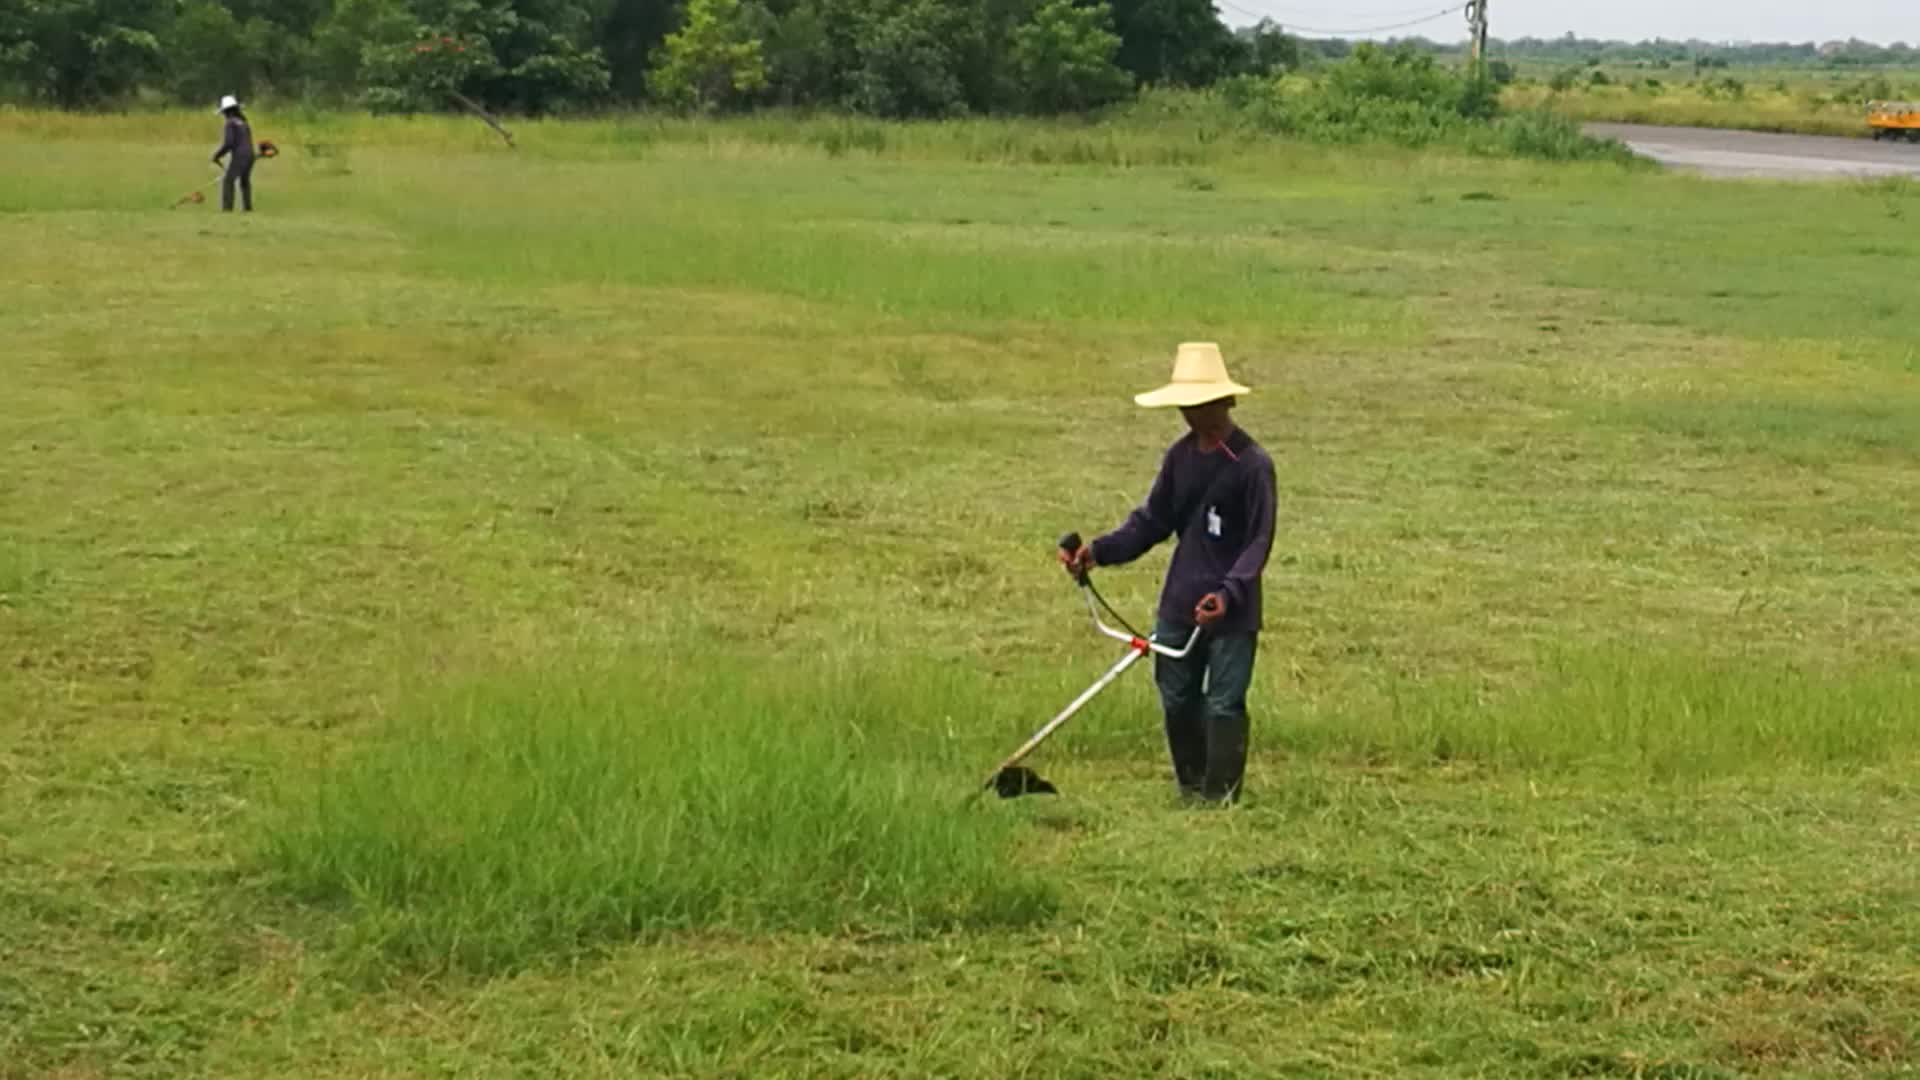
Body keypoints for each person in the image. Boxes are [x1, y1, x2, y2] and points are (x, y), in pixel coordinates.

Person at [1061, 343, 1277, 804]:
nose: (1190, 414)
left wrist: (1230, 592)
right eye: (1185, 405)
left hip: (1231, 611)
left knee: (1224, 703)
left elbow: (1259, 540)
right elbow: (1152, 522)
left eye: (1199, 404)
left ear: (1225, 402)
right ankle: (1192, 788)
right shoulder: (1179, 458)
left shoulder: (1254, 466)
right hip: (1180, 603)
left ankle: (1221, 800)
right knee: (1177, 698)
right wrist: (1097, 552)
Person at [212, 95, 255, 213]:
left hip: (240, 156)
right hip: (250, 154)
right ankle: (248, 208)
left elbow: (229, 143)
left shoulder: (230, 123)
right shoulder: (243, 122)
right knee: (245, 181)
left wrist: (217, 155)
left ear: (226, 111)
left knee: (228, 180)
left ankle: (227, 209)